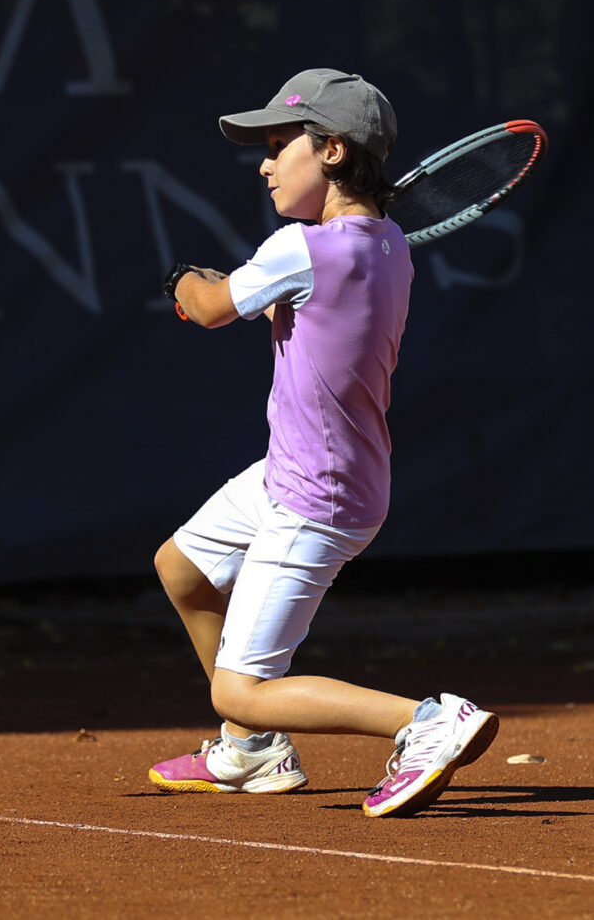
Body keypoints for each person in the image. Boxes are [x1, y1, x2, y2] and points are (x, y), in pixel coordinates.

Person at [150, 69, 498, 817]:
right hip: (301, 473)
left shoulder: (300, 248)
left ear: (333, 151)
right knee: (182, 568)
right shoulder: (388, 244)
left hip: (316, 495)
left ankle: (429, 721)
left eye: (281, 145)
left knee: (239, 687)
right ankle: (251, 750)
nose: (266, 164)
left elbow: (209, 308)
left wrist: (184, 277)